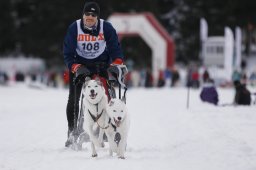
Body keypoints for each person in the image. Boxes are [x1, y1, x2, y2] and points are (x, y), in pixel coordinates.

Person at [63, 1, 125, 147]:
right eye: (87, 14)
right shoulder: (75, 28)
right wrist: (76, 67)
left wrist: (116, 65)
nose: (89, 17)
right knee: (74, 98)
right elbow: (68, 53)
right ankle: (72, 132)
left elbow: (116, 50)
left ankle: (111, 129)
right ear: (83, 15)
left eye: (93, 15)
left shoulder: (106, 28)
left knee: (110, 94)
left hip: (101, 64)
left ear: (97, 17)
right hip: (80, 64)